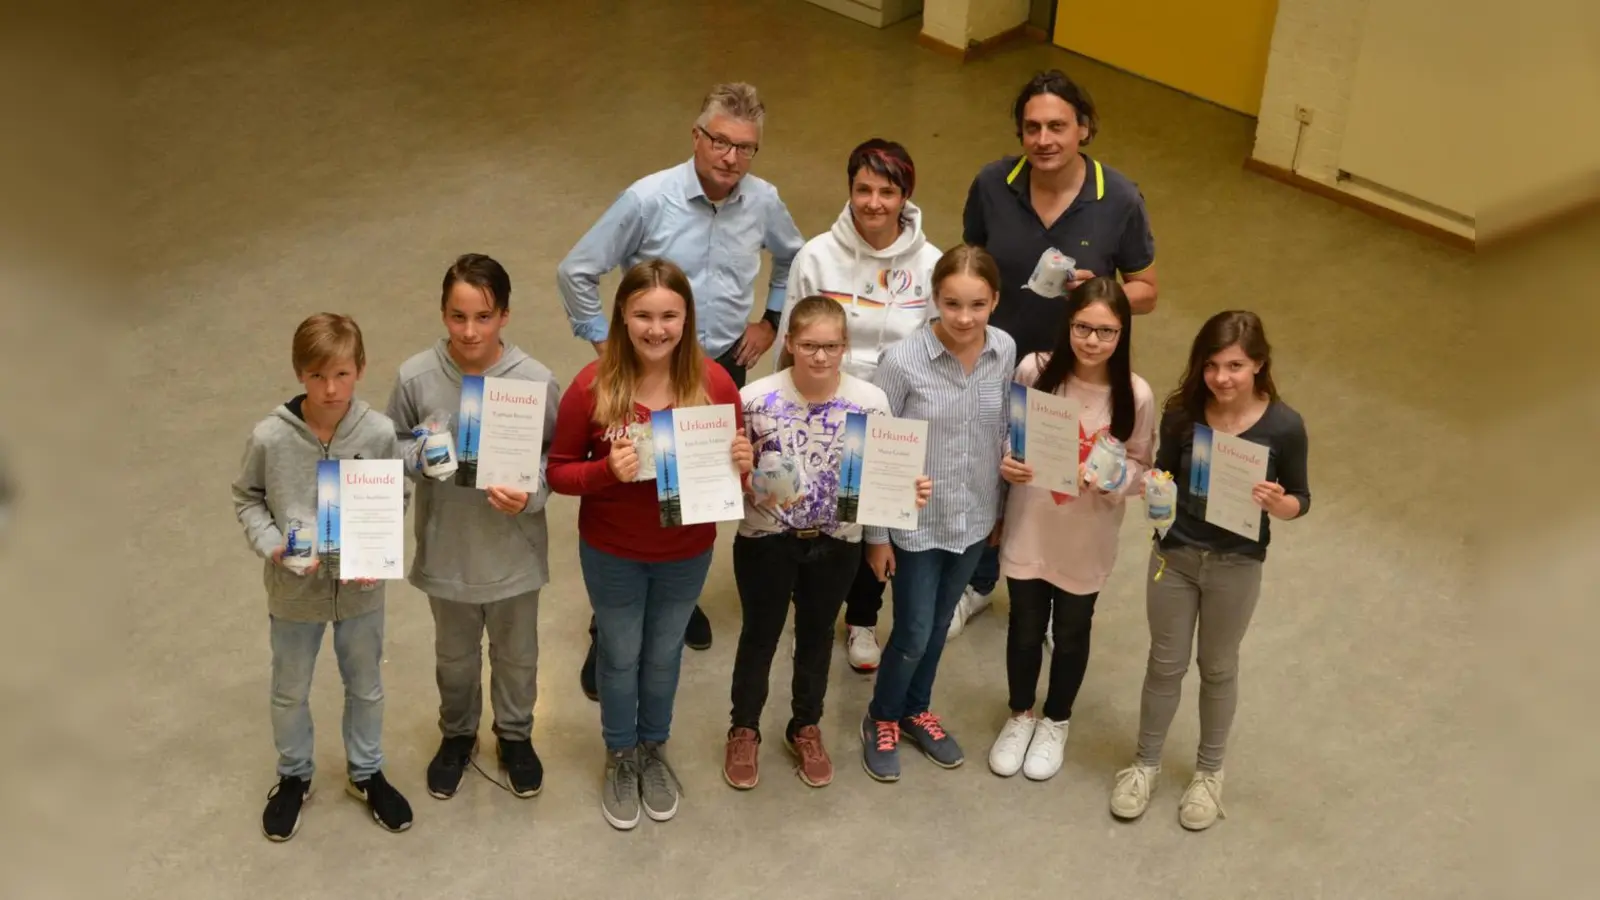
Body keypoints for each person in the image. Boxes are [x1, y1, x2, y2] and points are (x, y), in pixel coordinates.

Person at [558, 82, 804, 684]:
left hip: (716, 368)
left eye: (746, 148)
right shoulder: (648, 200)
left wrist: (771, 319)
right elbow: (577, 270)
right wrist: (607, 344)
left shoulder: (764, 200)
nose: (731, 158)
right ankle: (607, 629)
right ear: (697, 137)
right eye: (720, 141)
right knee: (627, 490)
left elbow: (793, 255)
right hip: (641, 374)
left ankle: (677, 597)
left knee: (693, 491)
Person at [954, 68, 1160, 637]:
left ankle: (1051, 591)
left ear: (1084, 130)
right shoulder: (993, 184)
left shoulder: (1117, 197)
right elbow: (971, 266)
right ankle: (977, 583)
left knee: (1062, 483)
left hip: (1079, 375)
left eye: (1058, 126)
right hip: (997, 363)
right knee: (995, 470)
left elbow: (1147, 290)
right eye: (1031, 127)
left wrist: (1104, 292)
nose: (1044, 140)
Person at [548, 259, 753, 830]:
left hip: (686, 553)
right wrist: (605, 472)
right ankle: (620, 754)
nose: (656, 329)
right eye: (643, 315)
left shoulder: (714, 385)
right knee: (619, 655)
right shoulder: (592, 387)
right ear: (622, 316)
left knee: (664, 655)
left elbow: (732, 483)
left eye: (669, 316)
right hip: (612, 550)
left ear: (687, 320)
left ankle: (652, 750)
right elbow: (558, 472)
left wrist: (743, 467)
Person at [1109, 310, 1310, 831]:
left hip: (1236, 565)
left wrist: (1279, 503)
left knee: (1218, 668)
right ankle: (1145, 765)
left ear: (1259, 366)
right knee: (1164, 665)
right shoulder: (1182, 414)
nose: (1223, 377)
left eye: (1236, 366)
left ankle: (1208, 774)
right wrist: (1154, 485)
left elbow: (1300, 499)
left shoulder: (1285, 426)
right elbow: (1166, 476)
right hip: (1174, 557)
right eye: (1213, 365)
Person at [724, 296, 931, 790]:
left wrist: (908, 492)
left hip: (838, 543)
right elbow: (725, 484)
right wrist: (735, 469)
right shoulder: (753, 399)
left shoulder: (871, 403)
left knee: (817, 638)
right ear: (790, 343)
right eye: (810, 345)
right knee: (760, 635)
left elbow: (885, 478)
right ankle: (744, 727)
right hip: (765, 540)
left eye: (832, 346)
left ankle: (806, 725)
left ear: (846, 347)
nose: (820, 357)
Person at [231, 313, 413, 841]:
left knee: (367, 686)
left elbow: (396, 493)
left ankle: (366, 773)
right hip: (294, 593)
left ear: (360, 369)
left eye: (341, 374)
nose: (330, 389)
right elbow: (247, 497)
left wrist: (372, 552)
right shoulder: (270, 437)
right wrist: (272, 545)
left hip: (361, 592)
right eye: (316, 376)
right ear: (298, 374)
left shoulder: (378, 433)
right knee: (290, 688)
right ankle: (294, 776)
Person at [386, 254, 561, 802]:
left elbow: (557, 455)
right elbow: (387, 443)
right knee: (454, 656)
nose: (469, 331)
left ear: (505, 315)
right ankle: (457, 734)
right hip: (448, 553)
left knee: (517, 656)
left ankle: (515, 736)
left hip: (513, 554)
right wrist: (418, 454)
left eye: (483, 317)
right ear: (442, 313)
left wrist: (531, 491)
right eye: (457, 317)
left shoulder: (534, 381)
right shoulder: (416, 376)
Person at [776, 138, 942, 674]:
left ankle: (863, 620)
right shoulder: (817, 255)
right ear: (849, 190)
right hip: (822, 407)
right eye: (863, 189)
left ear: (905, 196)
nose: (874, 202)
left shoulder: (930, 265)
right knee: (819, 517)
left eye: (887, 191)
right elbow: (789, 340)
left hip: (893, 415)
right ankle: (812, 622)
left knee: (877, 517)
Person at [987, 277, 1155, 782]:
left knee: (1073, 631)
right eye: (1083, 327)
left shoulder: (1135, 394)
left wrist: (1112, 480)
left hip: (1087, 535)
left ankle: (1056, 719)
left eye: (1106, 332)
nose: (1093, 341)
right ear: (1068, 323)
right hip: (1031, 524)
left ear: (1123, 334)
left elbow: (1143, 467)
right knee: (1024, 626)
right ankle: (1020, 715)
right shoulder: (1034, 371)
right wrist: (1007, 463)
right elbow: (1004, 433)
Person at [860, 245, 1015, 783]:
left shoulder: (1004, 350)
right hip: (915, 525)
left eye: (978, 304)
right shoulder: (902, 362)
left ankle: (914, 708)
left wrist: (999, 513)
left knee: (940, 624)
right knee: (913, 629)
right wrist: (876, 537)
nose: (965, 318)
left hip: (972, 519)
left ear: (995, 300)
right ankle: (881, 714)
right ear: (934, 300)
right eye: (952, 304)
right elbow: (877, 451)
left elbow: (1000, 435)